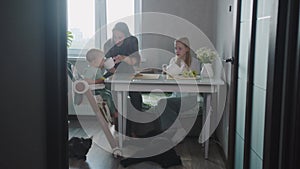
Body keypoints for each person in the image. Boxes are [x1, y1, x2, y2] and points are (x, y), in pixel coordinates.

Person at [158, 37, 199, 130]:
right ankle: (177, 129)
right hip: (176, 95)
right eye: (175, 48)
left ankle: (172, 131)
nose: (177, 51)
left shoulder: (194, 63)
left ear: (187, 49)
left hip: (189, 98)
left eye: (180, 48)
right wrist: (177, 62)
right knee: (161, 103)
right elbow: (169, 74)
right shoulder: (173, 61)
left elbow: (195, 79)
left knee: (163, 103)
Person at [103, 22, 144, 112]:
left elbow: (135, 61)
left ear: (126, 35)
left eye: (120, 37)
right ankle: (118, 119)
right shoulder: (108, 44)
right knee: (116, 94)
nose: (117, 41)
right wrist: (111, 68)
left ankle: (138, 117)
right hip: (113, 73)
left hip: (128, 72)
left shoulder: (132, 41)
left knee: (135, 93)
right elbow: (106, 64)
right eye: (115, 37)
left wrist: (123, 58)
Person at [83, 48, 117, 124]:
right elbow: (86, 80)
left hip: (100, 89)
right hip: (95, 92)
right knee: (108, 96)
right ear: (94, 62)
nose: (104, 61)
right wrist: (96, 81)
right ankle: (113, 113)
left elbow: (102, 76)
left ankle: (114, 111)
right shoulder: (90, 70)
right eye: (102, 60)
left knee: (109, 93)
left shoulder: (97, 69)